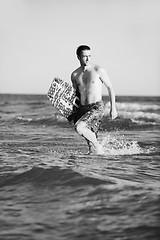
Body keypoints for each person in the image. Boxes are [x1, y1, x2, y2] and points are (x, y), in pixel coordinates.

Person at [70, 45, 117, 154]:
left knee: (79, 128)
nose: (88, 59)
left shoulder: (98, 70)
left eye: (89, 56)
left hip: (96, 107)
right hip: (82, 108)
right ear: (78, 57)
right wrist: (73, 111)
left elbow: (110, 88)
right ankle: (92, 167)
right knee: (90, 146)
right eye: (84, 56)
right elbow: (75, 94)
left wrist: (113, 108)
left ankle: (98, 146)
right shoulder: (74, 75)